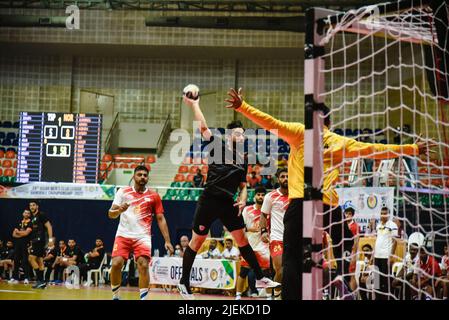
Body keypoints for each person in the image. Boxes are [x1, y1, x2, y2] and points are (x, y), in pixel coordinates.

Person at [225, 88, 433, 299]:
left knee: (291, 260)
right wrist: (412, 148)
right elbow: (374, 149)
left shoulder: (299, 133)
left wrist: (243, 106)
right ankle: (340, 279)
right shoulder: (339, 141)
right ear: (329, 122)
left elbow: (270, 122)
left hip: (300, 205)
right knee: (346, 241)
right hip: (327, 207)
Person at [177, 93, 280, 300]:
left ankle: (260, 277)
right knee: (197, 242)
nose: (241, 137)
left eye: (243, 135)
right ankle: (184, 283)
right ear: (230, 135)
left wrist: (243, 198)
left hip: (228, 204)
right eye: (238, 134)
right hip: (209, 200)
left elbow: (243, 185)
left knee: (243, 240)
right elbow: (204, 128)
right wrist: (195, 105)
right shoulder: (218, 145)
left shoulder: (243, 159)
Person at [108, 165, 174, 300]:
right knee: (116, 264)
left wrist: (167, 240)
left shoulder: (154, 196)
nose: (143, 177)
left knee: (143, 265)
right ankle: (116, 296)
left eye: (145, 175)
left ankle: (143, 299)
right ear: (133, 177)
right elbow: (111, 214)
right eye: (140, 174)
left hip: (142, 237)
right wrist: (120, 210)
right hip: (123, 235)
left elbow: (161, 219)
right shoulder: (123, 192)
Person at [236, 187, 271, 300]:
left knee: (266, 272)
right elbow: (241, 227)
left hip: (263, 245)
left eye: (262, 195)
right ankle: (238, 296)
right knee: (243, 271)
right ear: (254, 196)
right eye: (258, 194)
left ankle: (269, 296)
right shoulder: (247, 210)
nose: (260, 196)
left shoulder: (268, 211)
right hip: (249, 245)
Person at [260, 167, 289, 299]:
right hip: (277, 237)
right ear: (278, 179)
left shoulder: (296, 195)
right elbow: (263, 215)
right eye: (283, 176)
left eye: (288, 176)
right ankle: (277, 296)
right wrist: (263, 231)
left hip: (293, 238)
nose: (285, 179)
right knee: (281, 270)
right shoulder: (270, 196)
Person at [373, 206, 398, 300]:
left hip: (385, 257)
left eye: (385, 213)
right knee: (376, 281)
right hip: (377, 256)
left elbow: (395, 241)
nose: (383, 215)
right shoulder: (378, 225)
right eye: (382, 213)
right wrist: (372, 255)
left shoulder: (392, 225)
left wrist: (391, 256)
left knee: (385, 281)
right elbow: (377, 240)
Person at [28, 200, 53, 289]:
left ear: (37, 206)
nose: (31, 207)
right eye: (30, 205)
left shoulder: (41, 215)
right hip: (35, 241)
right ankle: (42, 282)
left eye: (33, 205)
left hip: (40, 241)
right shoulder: (32, 217)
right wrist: (31, 243)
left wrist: (50, 239)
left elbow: (49, 226)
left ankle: (39, 280)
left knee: (31, 258)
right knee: (39, 260)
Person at [10, 209, 33, 284]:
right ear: (23, 213)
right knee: (16, 260)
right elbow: (13, 234)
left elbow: (26, 233)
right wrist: (22, 234)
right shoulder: (19, 222)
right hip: (17, 244)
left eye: (28, 213)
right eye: (25, 212)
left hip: (25, 244)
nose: (26, 214)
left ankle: (26, 278)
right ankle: (14, 277)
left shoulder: (30, 222)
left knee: (25, 261)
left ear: (29, 215)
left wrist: (19, 233)